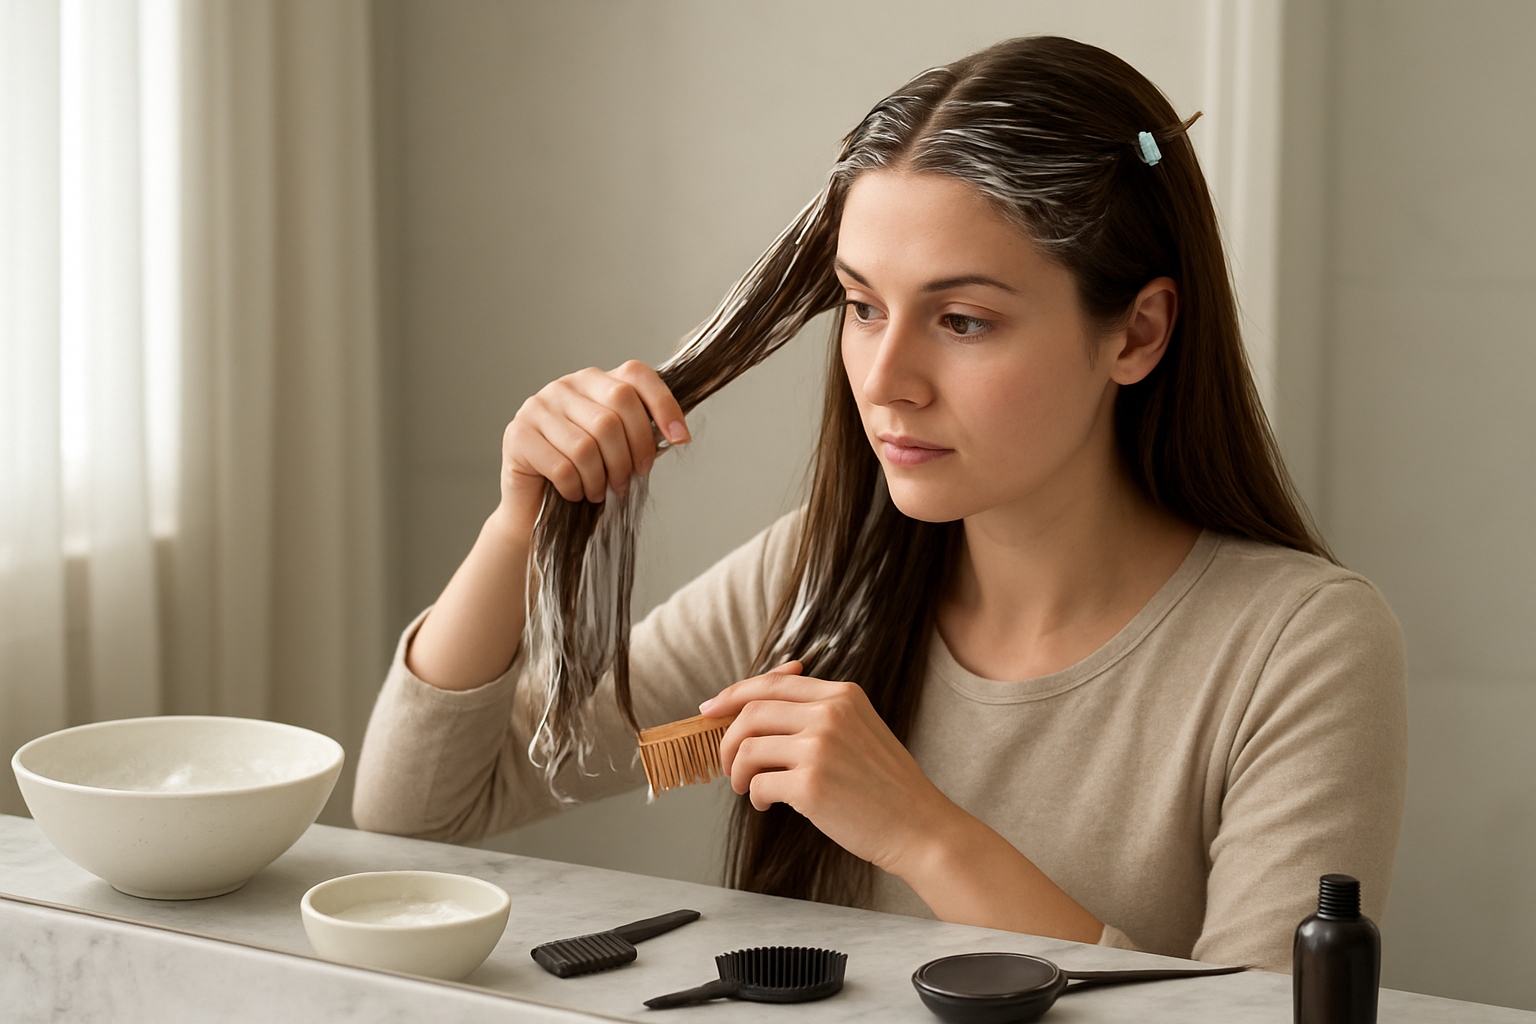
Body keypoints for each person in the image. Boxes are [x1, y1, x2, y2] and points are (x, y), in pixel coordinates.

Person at [353, 35, 1407, 973]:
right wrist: (519, 526)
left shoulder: (1298, 647)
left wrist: (921, 833)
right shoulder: (820, 574)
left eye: (961, 320)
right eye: (862, 306)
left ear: (1135, 333)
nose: (884, 377)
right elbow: (416, 814)